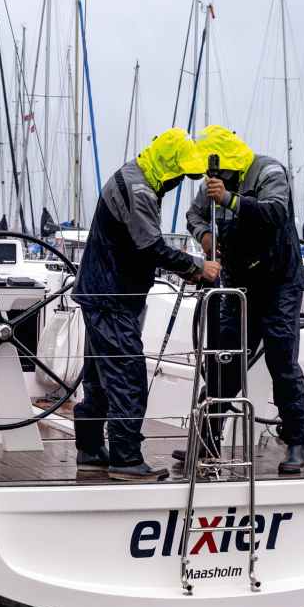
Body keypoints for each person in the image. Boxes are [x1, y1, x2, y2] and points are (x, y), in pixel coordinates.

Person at [73, 128, 220, 481]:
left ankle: (91, 450)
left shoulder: (134, 178)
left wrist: (185, 269)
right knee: (127, 377)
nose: (180, 181)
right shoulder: (138, 191)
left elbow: (138, 247)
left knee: (99, 379)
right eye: (181, 174)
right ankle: (125, 459)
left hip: (102, 293)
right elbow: (149, 246)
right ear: (168, 167)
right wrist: (197, 267)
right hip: (111, 299)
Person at [178, 125, 304, 474]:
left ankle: (296, 441)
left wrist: (230, 200)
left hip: (279, 283)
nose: (210, 179)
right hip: (239, 284)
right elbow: (192, 215)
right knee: (224, 361)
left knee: (282, 359)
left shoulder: (269, 172)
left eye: (215, 174)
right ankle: (207, 440)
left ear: (230, 166)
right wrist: (204, 234)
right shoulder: (211, 184)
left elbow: (276, 213)